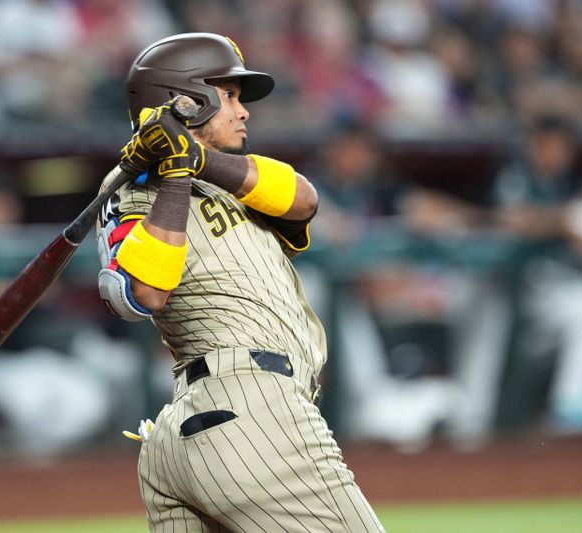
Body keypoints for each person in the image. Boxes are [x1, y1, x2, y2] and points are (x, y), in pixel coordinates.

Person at [95, 33, 385, 532]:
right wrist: (175, 177)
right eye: (227, 95)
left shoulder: (234, 173)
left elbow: (303, 200)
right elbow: (144, 293)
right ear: (185, 100)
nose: (243, 110)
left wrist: (194, 159)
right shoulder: (128, 189)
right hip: (251, 412)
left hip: (201, 430)